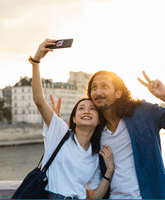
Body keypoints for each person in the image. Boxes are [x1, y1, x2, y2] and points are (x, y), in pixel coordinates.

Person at [52, 69, 165, 199]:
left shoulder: (143, 113)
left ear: (118, 93)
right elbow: (74, 149)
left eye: (104, 86)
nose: (97, 91)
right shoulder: (95, 130)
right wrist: (58, 126)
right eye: (94, 87)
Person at [29, 39, 115, 199]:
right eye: (81, 108)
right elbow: (39, 101)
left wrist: (109, 172)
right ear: (74, 118)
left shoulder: (95, 156)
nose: (86, 111)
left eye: (92, 109)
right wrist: (36, 61)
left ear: (98, 121)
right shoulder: (60, 132)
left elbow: (94, 196)